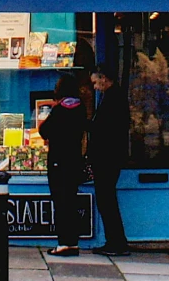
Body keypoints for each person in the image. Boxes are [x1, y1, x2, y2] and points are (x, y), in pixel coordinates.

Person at [37, 69, 91, 256]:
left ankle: (64, 243)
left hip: (59, 161)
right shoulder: (81, 108)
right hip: (74, 160)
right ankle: (73, 242)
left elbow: (44, 131)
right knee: (71, 200)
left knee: (61, 203)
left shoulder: (59, 110)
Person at [87, 65, 131, 255]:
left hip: (107, 157)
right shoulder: (113, 96)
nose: (95, 87)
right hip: (109, 156)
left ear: (104, 78)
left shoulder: (113, 98)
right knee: (106, 199)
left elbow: (106, 129)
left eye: (96, 82)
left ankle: (116, 242)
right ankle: (114, 240)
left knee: (106, 199)